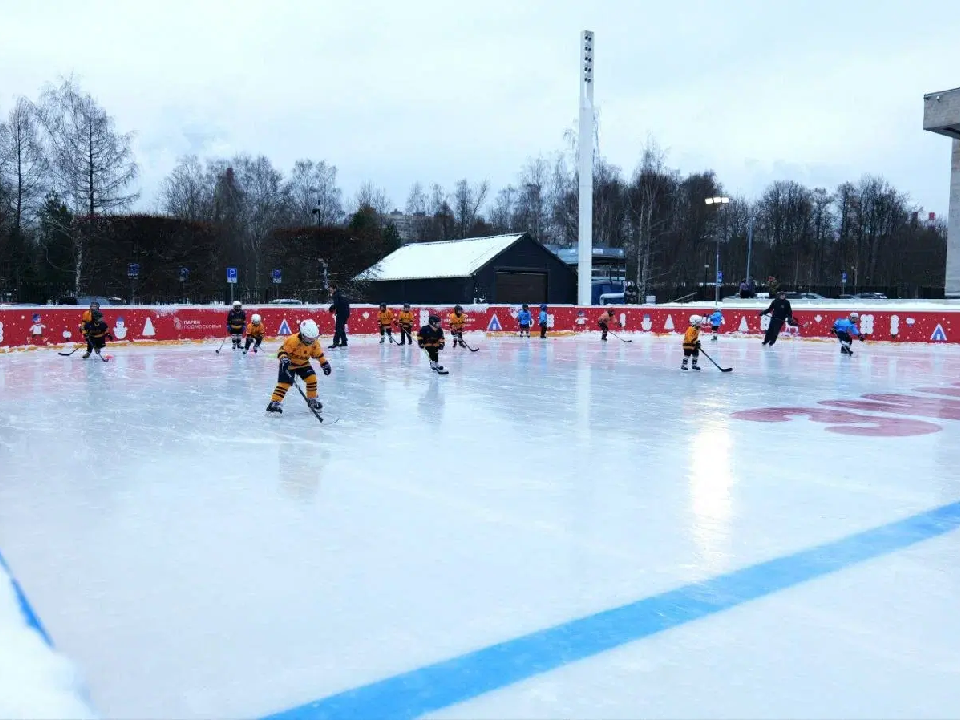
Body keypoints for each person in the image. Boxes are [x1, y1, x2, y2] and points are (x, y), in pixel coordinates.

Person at [266, 319, 332, 414]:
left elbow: (318, 354)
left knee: (312, 378)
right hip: (288, 364)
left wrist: (325, 364)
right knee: (284, 384)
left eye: (314, 338)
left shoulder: (314, 343)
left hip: (303, 363)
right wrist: (284, 359)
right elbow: (281, 351)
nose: (311, 341)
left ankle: (312, 400)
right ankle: (274, 403)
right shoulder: (293, 340)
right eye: (309, 338)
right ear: (302, 334)